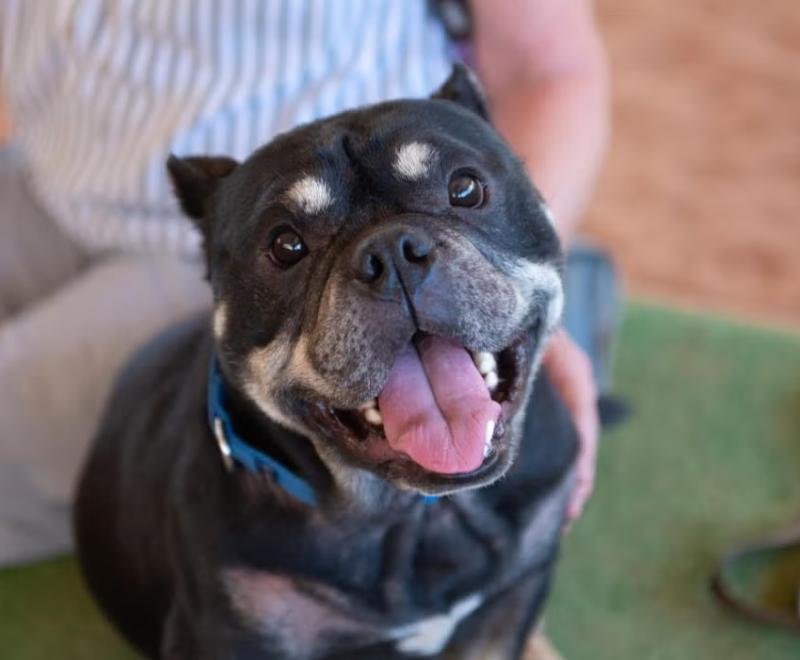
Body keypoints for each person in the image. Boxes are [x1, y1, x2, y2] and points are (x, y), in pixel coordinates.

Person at [0, 0, 609, 566]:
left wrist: (506, 298)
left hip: (261, 259)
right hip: (55, 177)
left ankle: (511, 256)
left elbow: (546, 66)